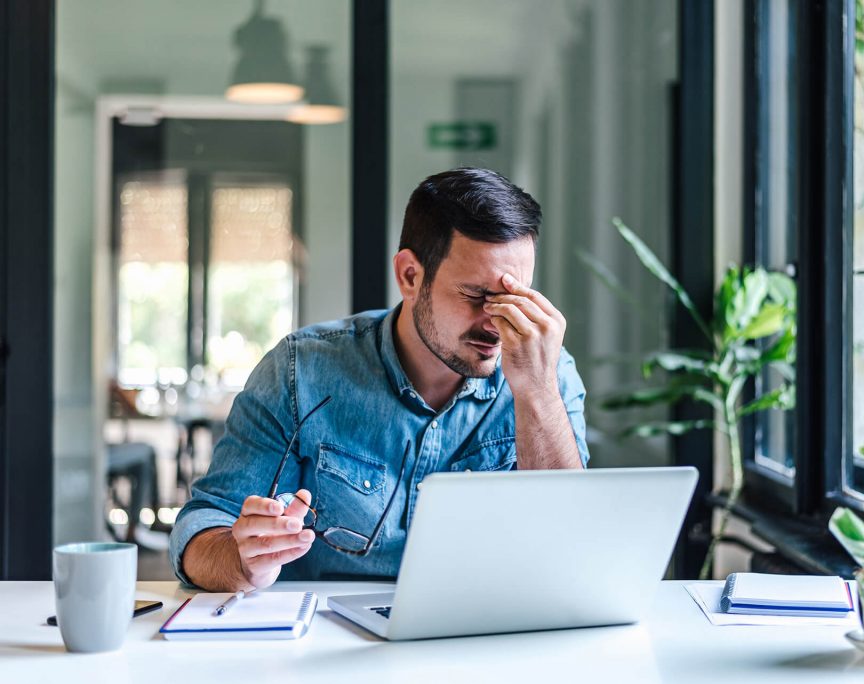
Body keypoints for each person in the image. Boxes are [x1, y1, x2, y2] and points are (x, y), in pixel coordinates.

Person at [169, 167, 589, 591]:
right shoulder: (301, 372)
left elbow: (574, 544)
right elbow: (203, 528)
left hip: (484, 638)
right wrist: (242, 560)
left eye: (516, 299)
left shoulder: (548, 373)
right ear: (410, 276)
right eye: (478, 296)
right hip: (327, 644)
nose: (497, 324)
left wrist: (536, 392)